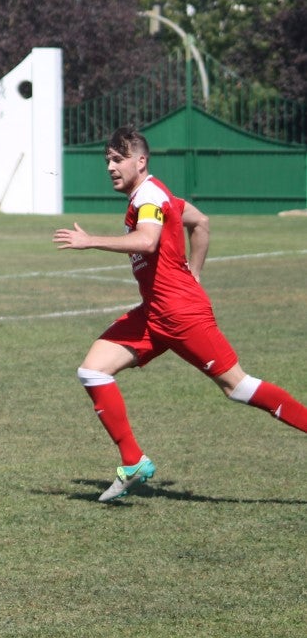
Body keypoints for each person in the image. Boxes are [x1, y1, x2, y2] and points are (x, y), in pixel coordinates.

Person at [53, 125, 307, 501]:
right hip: (155, 313)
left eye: (118, 159)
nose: (110, 166)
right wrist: (195, 273)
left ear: (141, 161)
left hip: (181, 315)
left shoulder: (150, 196)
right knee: (92, 370)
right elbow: (200, 222)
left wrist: (91, 241)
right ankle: (133, 461)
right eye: (107, 159)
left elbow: (147, 239)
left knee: (236, 387)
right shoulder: (157, 193)